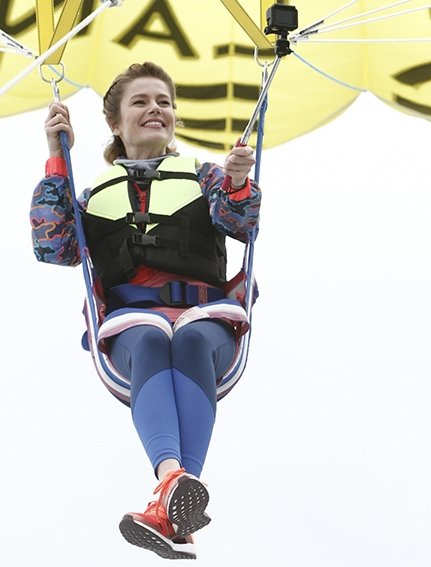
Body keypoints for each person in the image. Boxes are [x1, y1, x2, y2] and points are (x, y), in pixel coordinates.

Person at [30, 61, 261, 560]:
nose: (155, 109)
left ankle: (168, 492)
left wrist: (239, 181)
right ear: (115, 123)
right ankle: (175, 492)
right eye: (141, 101)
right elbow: (54, 247)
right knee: (154, 337)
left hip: (207, 318)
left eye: (164, 101)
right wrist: (56, 157)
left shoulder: (206, 176)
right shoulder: (91, 195)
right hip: (133, 326)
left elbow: (241, 224)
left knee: (191, 338)